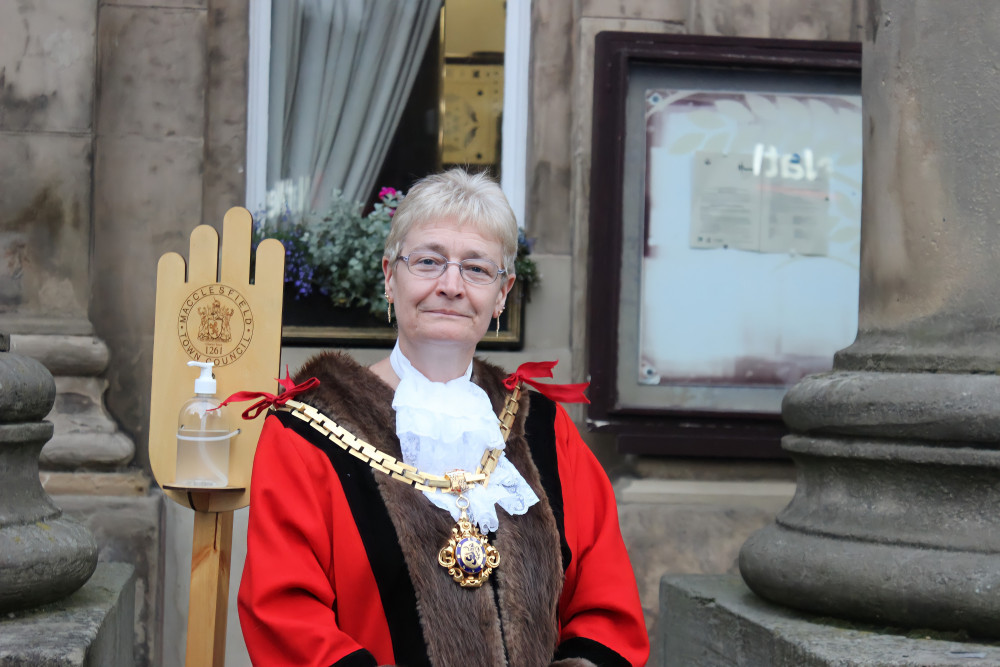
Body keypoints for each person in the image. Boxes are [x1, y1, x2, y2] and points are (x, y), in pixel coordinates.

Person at [237, 169, 649, 666]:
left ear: (502, 293)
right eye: (429, 261)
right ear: (390, 276)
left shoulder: (544, 430)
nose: (451, 285)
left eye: (477, 269)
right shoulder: (306, 433)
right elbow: (286, 616)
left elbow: (607, 607)